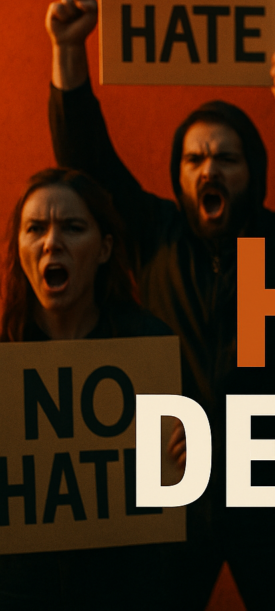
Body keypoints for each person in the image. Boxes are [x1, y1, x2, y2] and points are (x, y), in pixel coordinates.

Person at [45, 0, 275, 610]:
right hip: (173, 486)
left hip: (273, 488)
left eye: (227, 158)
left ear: (253, 172)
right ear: (178, 174)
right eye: (195, 158)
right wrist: (68, 50)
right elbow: (87, 160)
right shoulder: (152, 233)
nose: (209, 169)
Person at [0, 168, 175, 609]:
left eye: (73, 228)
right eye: (35, 229)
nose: (51, 242)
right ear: (19, 248)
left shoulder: (148, 347)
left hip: (129, 593)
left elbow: (181, 485)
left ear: (104, 249)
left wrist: (193, 452)